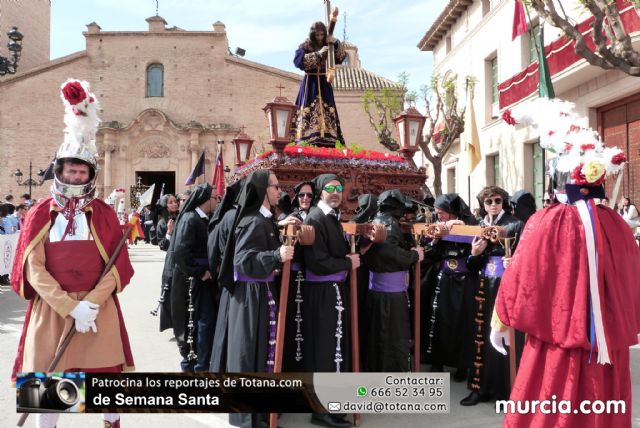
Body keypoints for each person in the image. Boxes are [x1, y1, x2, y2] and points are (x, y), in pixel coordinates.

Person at [493, 96, 640, 427]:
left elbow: (521, 278)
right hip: (607, 351)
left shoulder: (546, 222)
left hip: (556, 350)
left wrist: (501, 319)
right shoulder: (618, 226)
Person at [10, 79, 134, 428]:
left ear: (90, 174)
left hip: (98, 311)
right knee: (47, 390)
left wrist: (91, 304)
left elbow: (116, 266)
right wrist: (69, 306)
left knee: (105, 386)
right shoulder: (39, 212)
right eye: (71, 170)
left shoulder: (105, 213)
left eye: (82, 170)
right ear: (60, 172)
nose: (77, 175)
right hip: (52, 310)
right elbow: (32, 267)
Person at [215, 170, 294, 428]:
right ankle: (248, 418)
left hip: (260, 293)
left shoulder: (263, 219)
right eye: (275, 186)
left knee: (260, 352)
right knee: (248, 353)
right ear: (262, 190)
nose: (279, 191)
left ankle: (258, 414)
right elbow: (243, 260)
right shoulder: (253, 221)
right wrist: (276, 256)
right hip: (250, 295)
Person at [460, 186, 524, 406]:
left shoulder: (515, 224)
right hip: (483, 287)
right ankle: (479, 388)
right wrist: (474, 254)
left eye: (498, 200)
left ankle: (508, 390)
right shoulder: (479, 226)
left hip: (506, 286)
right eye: (489, 202)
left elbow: (527, 257)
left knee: (505, 336)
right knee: (481, 336)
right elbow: (472, 265)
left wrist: (514, 262)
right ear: (483, 205)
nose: (494, 204)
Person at [302, 173, 356, 428]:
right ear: (321, 192)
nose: (335, 193)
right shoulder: (315, 218)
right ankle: (321, 410)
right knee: (326, 349)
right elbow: (317, 261)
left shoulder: (331, 216)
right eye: (330, 189)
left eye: (339, 188)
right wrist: (348, 262)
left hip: (332, 291)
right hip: (324, 293)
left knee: (334, 347)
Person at [362, 189, 423, 372]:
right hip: (390, 294)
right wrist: (414, 255)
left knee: (380, 334)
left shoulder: (378, 219)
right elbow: (390, 253)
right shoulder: (388, 222)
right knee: (393, 336)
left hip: (382, 291)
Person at [423, 193, 479, 382]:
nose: (439, 217)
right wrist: (435, 240)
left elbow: (477, 254)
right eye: (437, 213)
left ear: (452, 211)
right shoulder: (438, 227)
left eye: (442, 214)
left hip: (465, 281)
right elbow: (431, 255)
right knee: (439, 320)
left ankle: (462, 365)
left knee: (463, 323)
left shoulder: (471, 225)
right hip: (444, 280)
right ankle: (437, 361)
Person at [167, 184, 218, 372]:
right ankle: (196, 364)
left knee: (205, 322)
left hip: (205, 280)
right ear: (205, 199)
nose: (217, 202)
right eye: (215, 198)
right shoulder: (190, 218)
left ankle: (202, 361)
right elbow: (180, 252)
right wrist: (199, 271)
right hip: (195, 282)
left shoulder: (204, 219)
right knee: (199, 323)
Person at [293, 21, 347, 147]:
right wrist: (318, 54)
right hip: (309, 85)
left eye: (322, 34)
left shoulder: (329, 45)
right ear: (313, 34)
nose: (319, 37)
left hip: (324, 84)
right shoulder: (305, 46)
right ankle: (306, 138)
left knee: (328, 111)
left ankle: (330, 138)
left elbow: (341, 57)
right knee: (307, 111)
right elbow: (298, 62)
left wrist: (336, 42)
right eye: (317, 35)